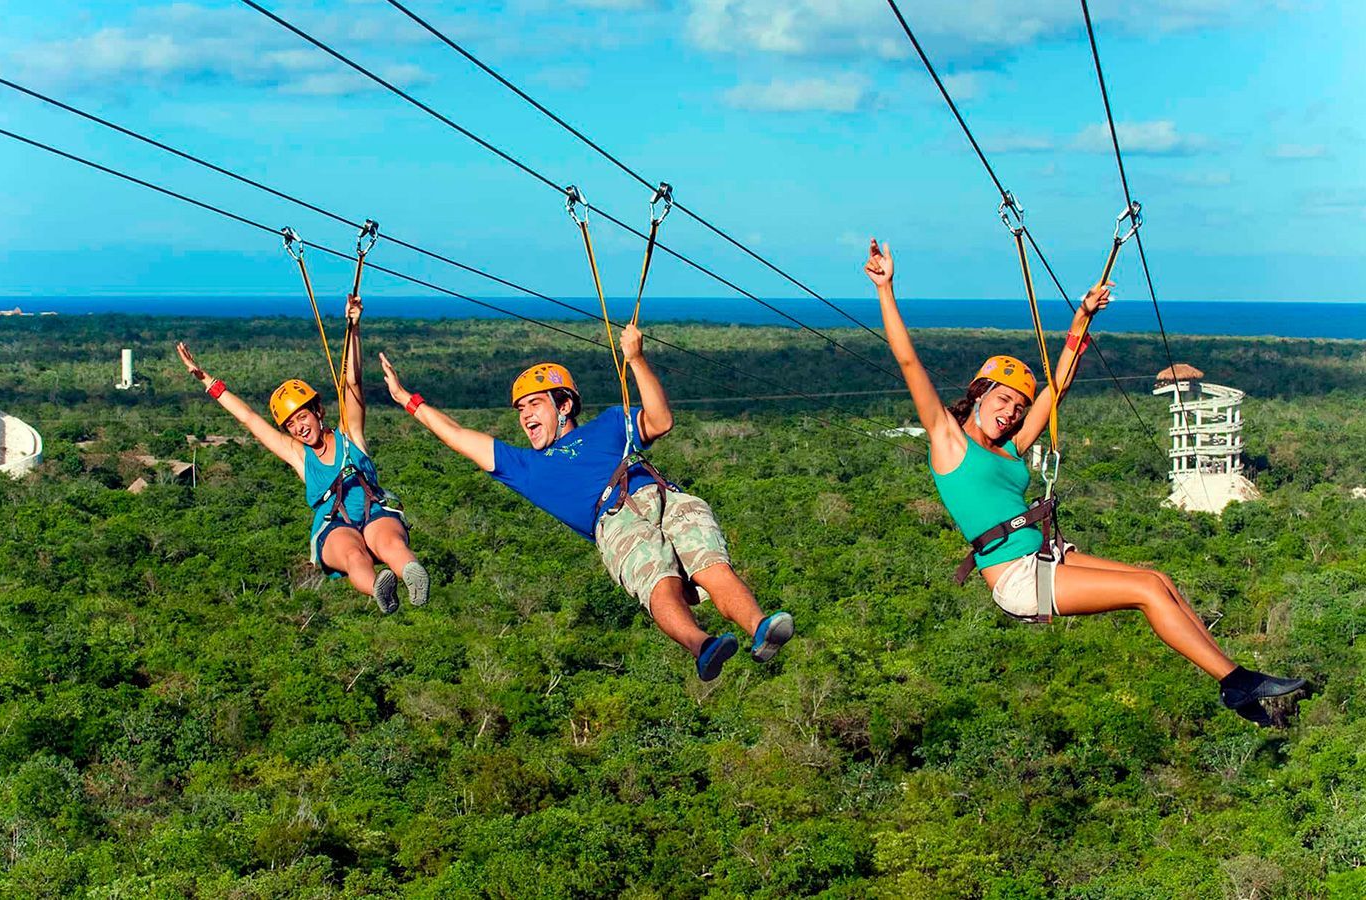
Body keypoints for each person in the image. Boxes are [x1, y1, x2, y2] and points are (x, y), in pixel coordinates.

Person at [864, 238, 1304, 725]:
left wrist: (1081, 320)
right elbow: (909, 363)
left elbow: (1058, 388)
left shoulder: (1011, 448)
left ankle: (1233, 679)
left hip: (1046, 557)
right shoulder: (948, 440)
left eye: (1017, 407)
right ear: (980, 393)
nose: (1011, 414)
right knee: (1147, 593)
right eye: (1003, 400)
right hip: (1018, 577)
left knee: (1158, 578)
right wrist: (886, 289)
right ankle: (1235, 683)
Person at [378, 322, 793, 680]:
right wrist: (408, 401)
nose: (524, 416)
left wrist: (636, 360)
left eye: (534, 405)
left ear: (564, 405)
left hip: (664, 495)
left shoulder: (611, 423)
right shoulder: (525, 466)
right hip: (614, 518)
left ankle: (759, 626)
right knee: (658, 579)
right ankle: (702, 647)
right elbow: (457, 435)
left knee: (710, 564)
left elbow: (661, 421)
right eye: (520, 409)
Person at [175, 294, 428, 614]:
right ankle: (380, 589)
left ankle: (411, 574)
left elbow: (352, 381)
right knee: (353, 557)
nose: (299, 427)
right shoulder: (298, 455)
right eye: (291, 424)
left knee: (390, 543)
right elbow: (250, 419)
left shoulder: (350, 434)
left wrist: (354, 328)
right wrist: (207, 380)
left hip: (374, 511)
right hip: (335, 524)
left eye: (303, 417)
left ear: (319, 411)